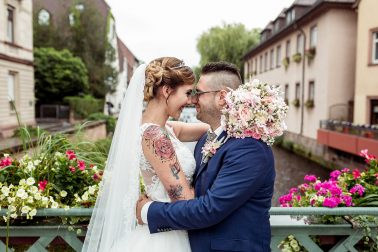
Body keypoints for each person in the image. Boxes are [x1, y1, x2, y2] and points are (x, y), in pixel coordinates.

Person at [137, 62, 276, 252]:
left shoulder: (250, 149)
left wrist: (148, 210)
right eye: (189, 93)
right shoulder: (207, 139)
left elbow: (209, 209)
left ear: (222, 97)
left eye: (199, 93)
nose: (193, 100)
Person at [82, 57, 209, 251]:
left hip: (164, 227)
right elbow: (185, 203)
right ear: (167, 91)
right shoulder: (155, 136)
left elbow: (210, 129)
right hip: (167, 238)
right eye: (187, 93)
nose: (190, 100)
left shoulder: (166, 128)